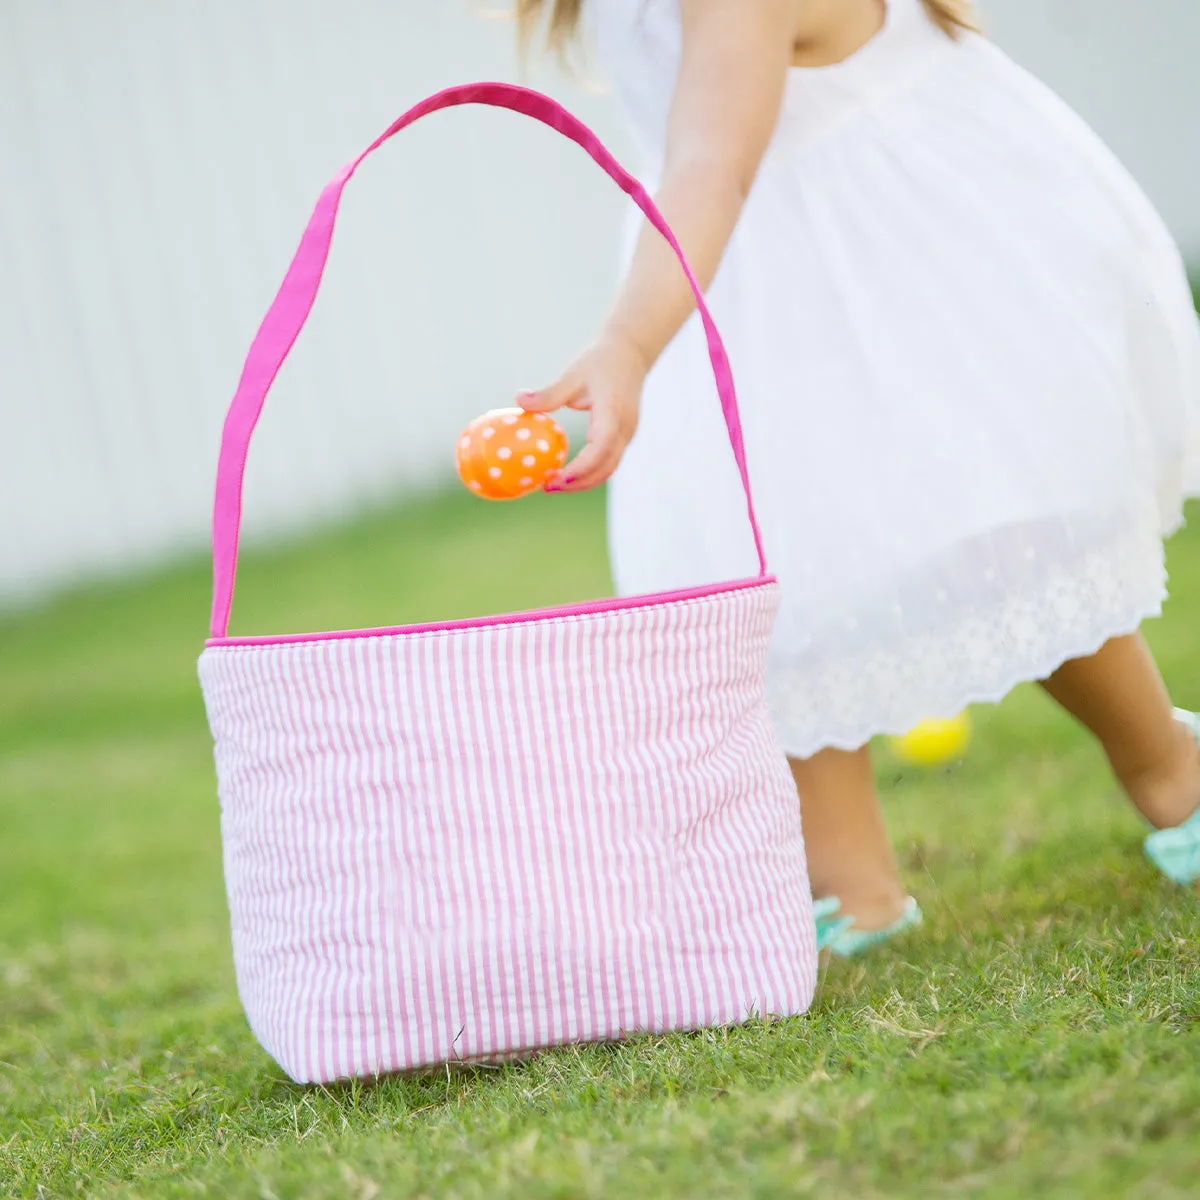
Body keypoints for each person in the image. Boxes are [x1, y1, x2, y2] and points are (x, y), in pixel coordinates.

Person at [515, 0, 1200, 952]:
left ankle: (1175, 771)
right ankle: (853, 884)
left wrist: (630, 344)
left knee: (1002, 539)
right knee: (782, 578)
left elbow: (713, 165)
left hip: (887, 276)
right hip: (753, 299)